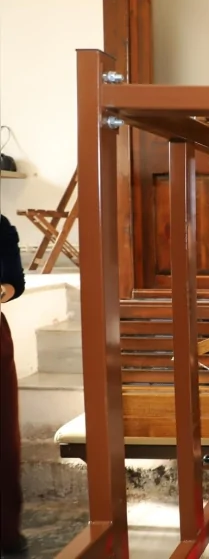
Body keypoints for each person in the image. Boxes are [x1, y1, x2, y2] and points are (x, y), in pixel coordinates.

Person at [1, 213, 27, 555]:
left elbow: (14, 282)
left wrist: (2, 290)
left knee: (4, 440)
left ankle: (6, 532)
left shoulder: (0, 226)